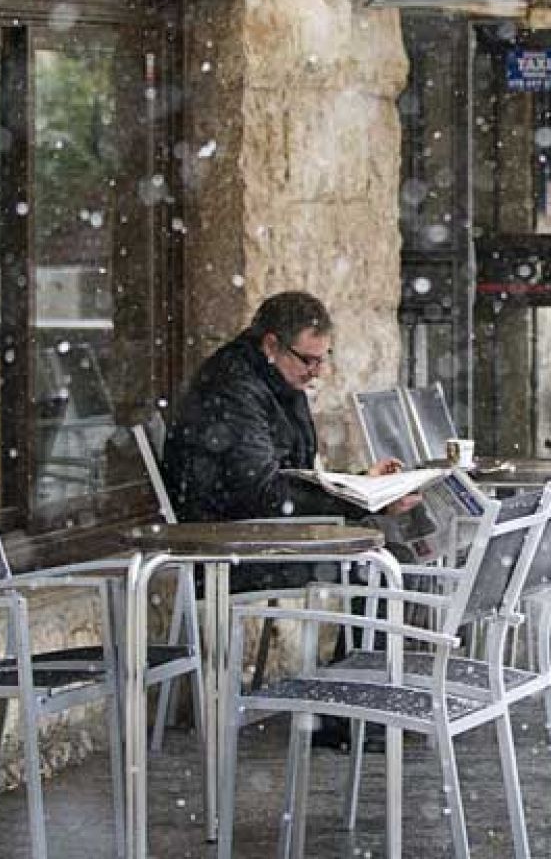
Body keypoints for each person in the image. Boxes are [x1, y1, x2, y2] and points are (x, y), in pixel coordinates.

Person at [162, 290, 418, 747]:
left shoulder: (279, 383)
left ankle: (368, 702)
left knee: (397, 547)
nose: (317, 372)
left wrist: (360, 486)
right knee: (378, 561)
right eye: (308, 360)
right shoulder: (233, 390)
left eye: (324, 360)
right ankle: (354, 714)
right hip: (226, 547)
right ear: (271, 345)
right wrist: (356, 501)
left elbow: (291, 475)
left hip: (263, 528)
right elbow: (261, 491)